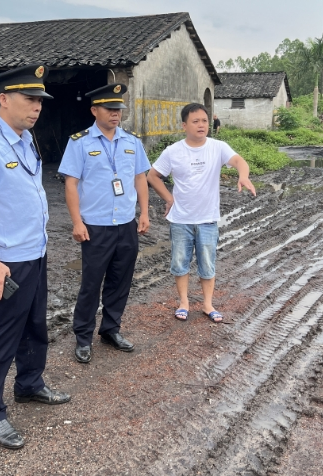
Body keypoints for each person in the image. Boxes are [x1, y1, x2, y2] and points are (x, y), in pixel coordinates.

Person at [0, 64, 70, 450]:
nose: (37, 106)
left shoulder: (25, 139)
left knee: (34, 326)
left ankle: (29, 384)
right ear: (4, 99)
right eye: (29, 98)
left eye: (40, 100)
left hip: (34, 252)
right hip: (5, 261)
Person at [58, 83, 150, 364]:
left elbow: (140, 178)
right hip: (95, 227)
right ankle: (83, 337)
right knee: (91, 283)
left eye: (118, 109)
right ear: (94, 110)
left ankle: (111, 329)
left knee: (120, 281)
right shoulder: (79, 142)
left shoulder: (132, 142)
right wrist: (77, 222)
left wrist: (144, 213)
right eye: (109, 109)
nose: (115, 114)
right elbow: (71, 184)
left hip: (126, 223)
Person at [146, 103, 256, 323]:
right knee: (180, 263)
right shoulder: (173, 151)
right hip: (181, 219)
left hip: (207, 219)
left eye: (204, 121)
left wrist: (243, 175)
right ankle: (184, 302)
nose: (201, 125)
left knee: (207, 263)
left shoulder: (218, 147)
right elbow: (152, 176)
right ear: (184, 125)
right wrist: (169, 199)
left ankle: (208, 304)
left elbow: (238, 161)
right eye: (195, 121)